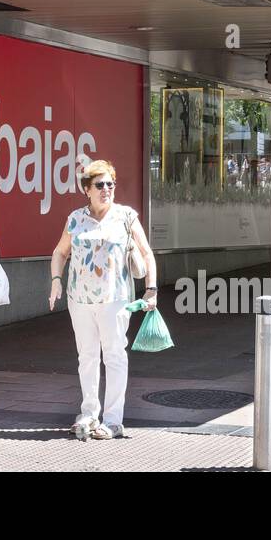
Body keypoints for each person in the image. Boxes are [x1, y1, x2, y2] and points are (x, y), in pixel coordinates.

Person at [48, 159, 157, 440]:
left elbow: (146, 254)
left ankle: (113, 420)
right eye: (100, 184)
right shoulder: (75, 219)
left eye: (110, 183)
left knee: (114, 356)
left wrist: (151, 289)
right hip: (80, 300)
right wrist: (56, 281)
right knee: (87, 357)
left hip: (115, 299)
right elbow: (60, 253)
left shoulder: (126, 216)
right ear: (87, 189)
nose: (107, 188)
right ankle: (88, 414)